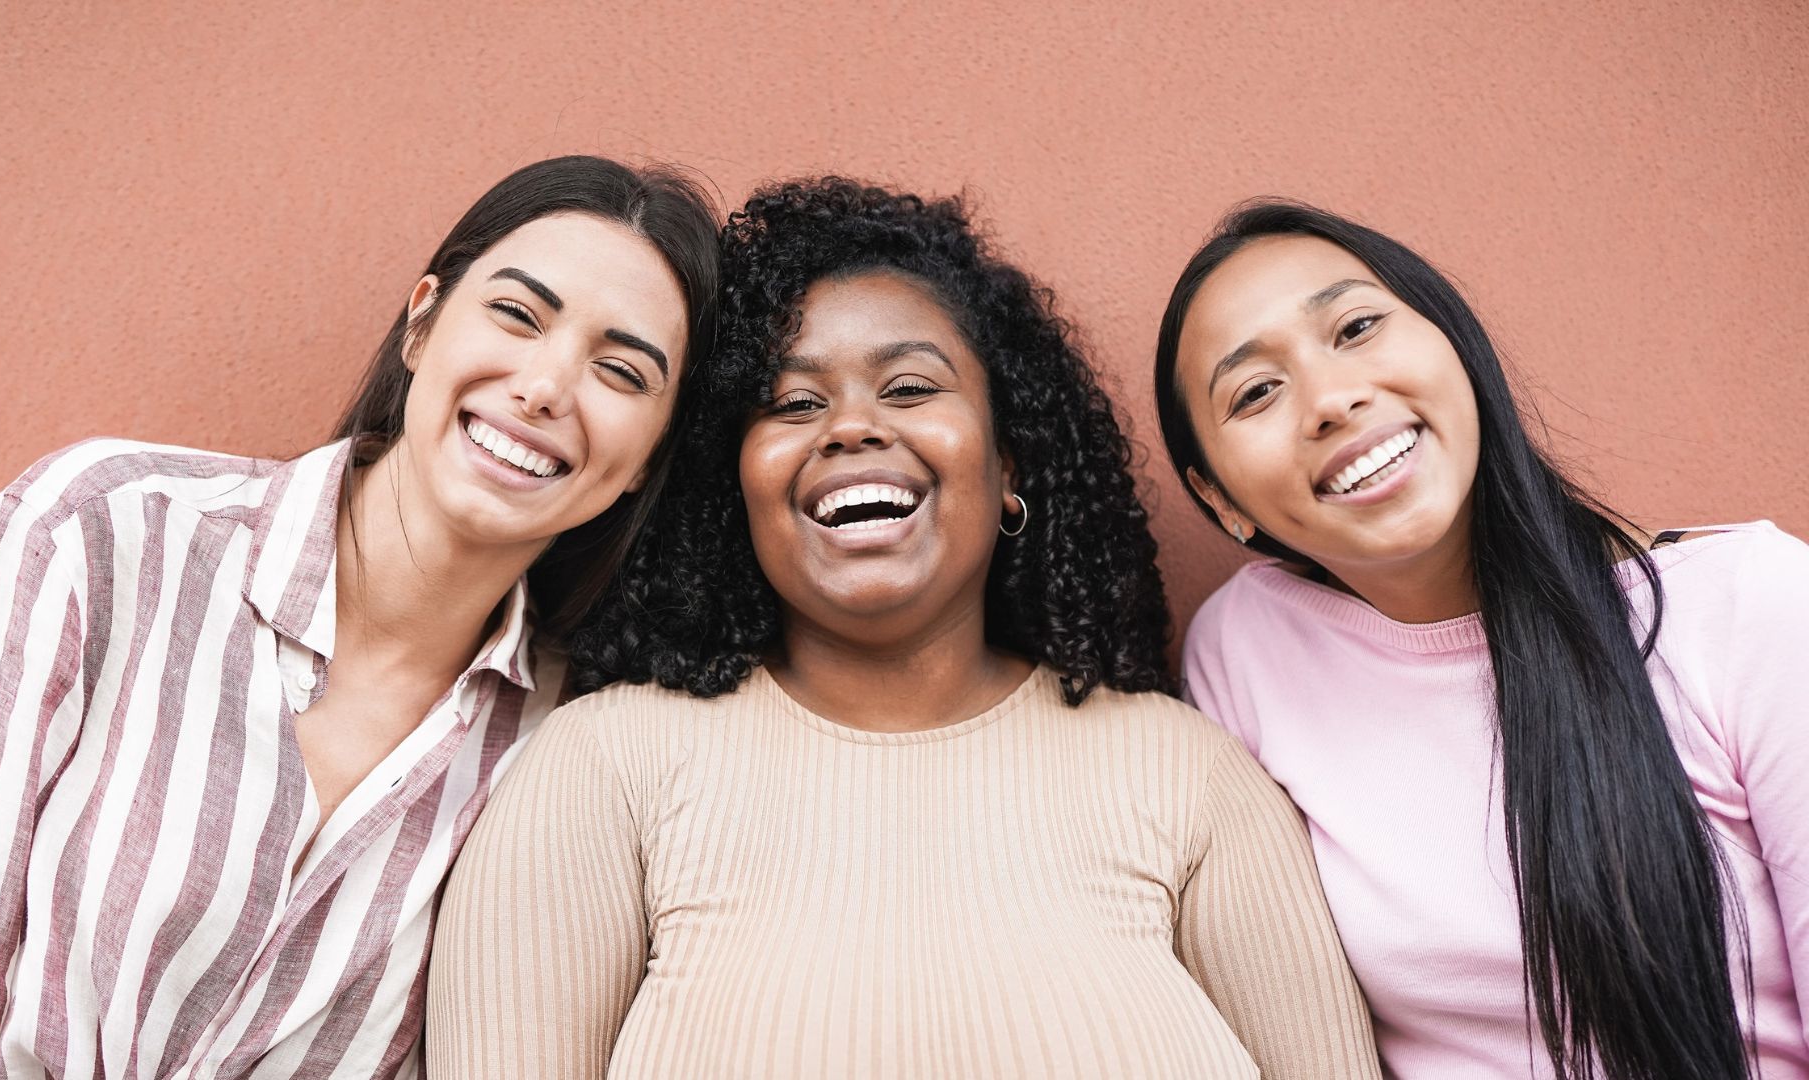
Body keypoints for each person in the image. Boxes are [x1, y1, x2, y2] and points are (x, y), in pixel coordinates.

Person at [427, 178, 1381, 1079]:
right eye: (793, 404)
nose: (850, 428)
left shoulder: (1192, 778)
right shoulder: (605, 769)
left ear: (1010, 463)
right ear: (736, 487)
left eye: (912, 388)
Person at [0, 154, 718, 1079]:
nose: (545, 387)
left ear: (650, 457)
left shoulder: (561, 740)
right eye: (517, 316)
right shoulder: (102, 529)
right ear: (421, 322)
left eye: (621, 370)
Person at [1154, 200, 1808, 1079]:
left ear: (1455, 344)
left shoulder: (1748, 609)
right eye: (1255, 392)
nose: (1333, 400)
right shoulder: (1243, 653)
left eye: (1355, 327)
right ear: (1221, 500)